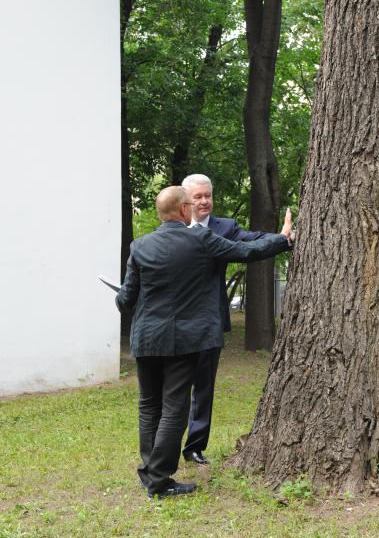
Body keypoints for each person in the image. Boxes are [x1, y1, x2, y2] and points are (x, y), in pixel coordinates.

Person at [116, 185, 294, 498]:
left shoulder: (140, 246)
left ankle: (150, 472)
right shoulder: (200, 239)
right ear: (184, 209)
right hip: (183, 341)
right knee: (174, 409)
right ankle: (158, 480)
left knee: (149, 407)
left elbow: (126, 299)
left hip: (146, 339)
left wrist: (121, 296)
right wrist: (283, 239)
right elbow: (247, 252)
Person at [181, 174, 295, 465]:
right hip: (176, 321)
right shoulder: (173, 226)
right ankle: (166, 442)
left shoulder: (225, 228)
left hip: (210, 319)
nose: (205, 201)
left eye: (208, 195)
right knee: (175, 386)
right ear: (185, 201)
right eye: (198, 197)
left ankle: (195, 446)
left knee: (204, 385)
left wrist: (282, 238)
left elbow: (252, 242)